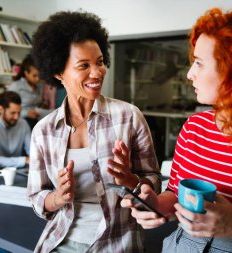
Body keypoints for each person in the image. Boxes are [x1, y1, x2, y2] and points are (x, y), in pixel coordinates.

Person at [122, 5, 232, 253]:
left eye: (200, 64)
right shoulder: (194, 127)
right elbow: (176, 195)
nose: (190, 75)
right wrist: (157, 205)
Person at [28, 11, 161, 253]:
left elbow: (154, 182)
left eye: (99, 62)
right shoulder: (43, 131)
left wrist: (133, 181)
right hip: (60, 241)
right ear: (58, 72)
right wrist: (58, 197)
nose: (97, 73)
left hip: (117, 241)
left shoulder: (129, 117)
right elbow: (37, 197)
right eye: (84, 66)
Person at [0, 91, 31, 169]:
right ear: (1, 109)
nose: (16, 117)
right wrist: (25, 160)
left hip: (20, 170)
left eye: (19, 113)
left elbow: (32, 150)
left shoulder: (23, 123)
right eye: (13, 113)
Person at [8, 54, 48, 129]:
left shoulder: (39, 86)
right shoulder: (16, 86)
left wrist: (43, 105)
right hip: (22, 118)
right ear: (26, 73)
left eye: (39, 75)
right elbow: (8, 109)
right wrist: (27, 113)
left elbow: (37, 104)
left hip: (37, 116)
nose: (37, 79)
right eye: (34, 75)